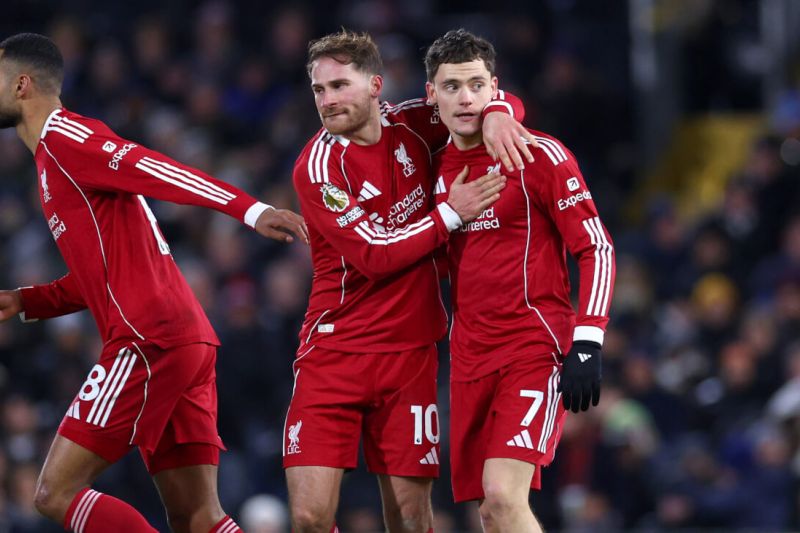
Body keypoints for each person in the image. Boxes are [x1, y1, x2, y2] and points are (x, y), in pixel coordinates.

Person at [0, 33, 308, 533]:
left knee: (53, 493)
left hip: (148, 339)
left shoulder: (66, 138)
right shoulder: (52, 162)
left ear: (20, 84)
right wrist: (24, 300)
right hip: (183, 339)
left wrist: (250, 210)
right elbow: (94, 280)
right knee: (198, 517)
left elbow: (154, 167)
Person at [286, 30, 534, 533]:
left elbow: (472, 99)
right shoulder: (318, 169)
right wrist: (449, 214)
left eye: (339, 86)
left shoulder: (415, 125)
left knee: (411, 516)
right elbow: (375, 256)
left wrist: (500, 112)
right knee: (310, 517)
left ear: (376, 85)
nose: (328, 100)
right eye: (319, 90)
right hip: (336, 352)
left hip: (410, 354)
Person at [425, 29, 615, 532]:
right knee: (490, 511)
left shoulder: (538, 155)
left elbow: (596, 246)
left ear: (495, 89)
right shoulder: (429, 169)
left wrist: (588, 341)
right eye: (451, 86)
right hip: (469, 356)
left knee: (504, 499)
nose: (465, 97)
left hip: (534, 344)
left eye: (477, 85)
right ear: (430, 95)